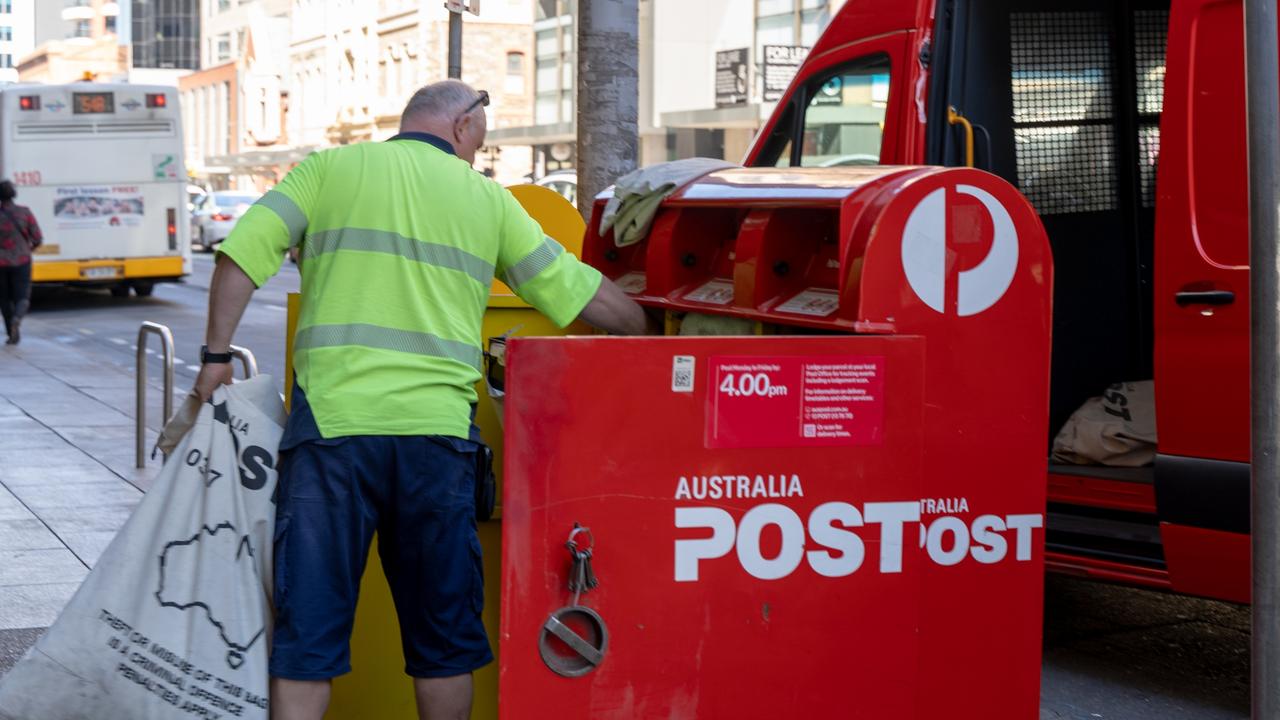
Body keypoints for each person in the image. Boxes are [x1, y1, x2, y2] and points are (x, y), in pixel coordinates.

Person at [193, 80, 647, 720]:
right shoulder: (486, 199)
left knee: (307, 638)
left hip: (330, 437)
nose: (478, 154)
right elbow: (575, 292)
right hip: (436, 441)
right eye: (480, 140)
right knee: (443, 643)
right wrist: (651, 330)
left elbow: (241, 254)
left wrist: (215, 359)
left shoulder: (330, 169)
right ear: (463, 124)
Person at [0, 181, 43, 345]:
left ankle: (12, 335)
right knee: (22, 296)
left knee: (4, 299)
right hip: (22, 260)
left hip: (1, 263)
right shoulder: (24, 213)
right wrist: (28, 250)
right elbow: (37, 238)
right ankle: (17, 319)